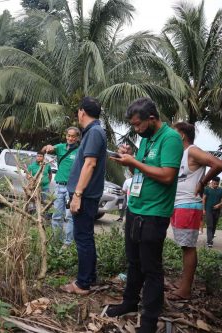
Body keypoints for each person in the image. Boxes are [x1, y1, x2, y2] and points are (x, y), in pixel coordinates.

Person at [107, 97, 183, 333]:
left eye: (139, 124)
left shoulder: (170, 139)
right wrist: (129, 160)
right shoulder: (147, 139)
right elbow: (140, 173)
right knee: (133, 262)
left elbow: (167, 175)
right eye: (133, 126)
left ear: (152, 119)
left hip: (154, 213)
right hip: (136, 209)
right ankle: (129, 302)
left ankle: (149, 319)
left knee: (151, 268)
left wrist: (135, 163)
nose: (136, 129)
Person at [168, 122, 222, 301]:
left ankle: (185, 289)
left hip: (188, 205)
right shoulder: (182, 154)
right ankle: (183, 283)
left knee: (188, 248)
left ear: (182, 136)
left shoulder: (192, 150)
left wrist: (202, 183)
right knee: (184, 246)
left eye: (174, 133)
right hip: (179, 204)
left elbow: (219, 164)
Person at [60, 97, 107, 295]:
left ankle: (82, 283)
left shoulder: (94, 132)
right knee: (86, 236)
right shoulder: (94, 132)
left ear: (81, 112)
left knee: (82, 237)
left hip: (85, 195)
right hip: (87, 194)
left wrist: (77, 194)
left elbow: (89, 164)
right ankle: (89, 277)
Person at [42, 127, 80, 249]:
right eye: (68, 135)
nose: (70, 138)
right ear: (66, 136)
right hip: (59, 186)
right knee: (56, 215)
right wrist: (47, 146)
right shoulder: (60, 147)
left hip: (72, 189)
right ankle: (56, 241)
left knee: (69, 217)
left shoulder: (80, 150)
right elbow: (44, 150)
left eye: (73, 136)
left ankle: (67, 243)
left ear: (77, 138)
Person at [203, 176, 222, 247]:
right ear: (211, 182)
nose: (216, 185)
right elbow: (204, 199)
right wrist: (203, 209)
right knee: (209, 225)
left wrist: (219, 205)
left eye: (217, 184)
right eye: (214, 183)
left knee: (214, 225)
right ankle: (209, 241)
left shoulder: (221, 190)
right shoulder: (207, 189)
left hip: (217, 211)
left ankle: (211, 238)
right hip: (208, 210)